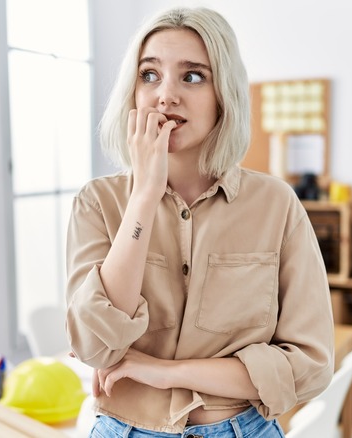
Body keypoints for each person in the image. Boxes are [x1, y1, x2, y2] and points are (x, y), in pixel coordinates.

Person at [65, 6, 334, 437]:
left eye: (192, 76)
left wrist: (165, 372)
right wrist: (144, 197)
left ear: (223, 94)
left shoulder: (277, 205)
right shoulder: (97, 203)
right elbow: (94, 346)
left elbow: (310, 366)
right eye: (149, 75)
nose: (165, 95)